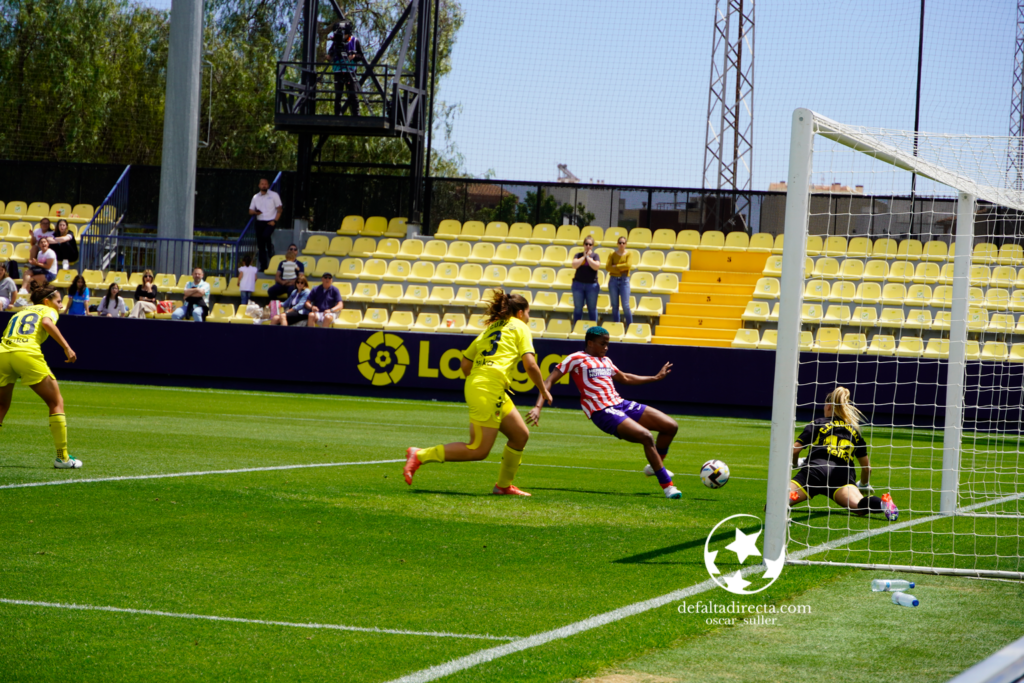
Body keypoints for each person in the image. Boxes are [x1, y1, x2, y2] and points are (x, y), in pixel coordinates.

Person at [403, 289, 552, 496]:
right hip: (489, 387)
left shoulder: (490, 330)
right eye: (528, 313)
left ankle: (503, 486)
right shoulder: (520, 327)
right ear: (520, 313)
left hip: (486, 386)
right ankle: (420, 455)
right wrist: (543, 390)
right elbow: (531, 365)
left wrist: (478, 381)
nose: (528, 317)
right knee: (478, 449)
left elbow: (465, 364)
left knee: (519, 435)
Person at [528, 326, 680, 499]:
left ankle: (655, 466)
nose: (606, 347)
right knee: (646, 437)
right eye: (603, 344)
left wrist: (654, 377)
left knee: (670, 426)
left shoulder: (606, 361)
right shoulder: (576, 359)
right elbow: (548, 381)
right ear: (590, 343)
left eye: (607, 344)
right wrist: (538, 406)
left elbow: (625, 378)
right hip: (602, 411)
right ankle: (668, 487)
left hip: (620, 404)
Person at [0, 282, 80, 469]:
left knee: (1, 405)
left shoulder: (20, 312)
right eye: (58, 301)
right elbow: (46, 322)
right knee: (56, 402)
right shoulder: (47, 310)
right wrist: (67, 348)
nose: (60, 305)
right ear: (47, 301)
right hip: (26, 354)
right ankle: (63, 458)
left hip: (3, 353)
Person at [790, 387, 899, 521]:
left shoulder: (818, 423)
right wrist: (863, 485)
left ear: (829, 406)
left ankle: (792, 497)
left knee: (779, 502)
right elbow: (867, 468)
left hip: (814, 473)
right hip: (842, 477)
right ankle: (883, 504)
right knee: (859, 506)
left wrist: (795, 463)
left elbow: (795, 450)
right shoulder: (854, 432)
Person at [248, 178, 283, 271]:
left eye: (266, 184)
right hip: (259, 221)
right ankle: (263, 266)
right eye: (262, 184)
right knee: (260, 245)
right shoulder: (255, 197)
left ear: (268, 185)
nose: (264, 185)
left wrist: (275, 221)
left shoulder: (274, 195)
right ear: (259, 185)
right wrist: (256, 213)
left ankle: (270, 247)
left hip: (270, 221)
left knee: (265, 236)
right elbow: (250, 210)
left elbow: (280, 210)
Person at [329, 21, 362, 115]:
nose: (343, 36)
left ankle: (356, 114)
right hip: (338, 71)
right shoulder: (336, 42)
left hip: (350, 71)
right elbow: (331, 53)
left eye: (345, 34)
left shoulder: (355, 41)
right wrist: (329, 57)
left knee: (353, 94)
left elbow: (361, 56)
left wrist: (354, 56)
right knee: (338, 95)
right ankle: (337, 114)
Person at [571, 235, 601, 325]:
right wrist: (584, 257)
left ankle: (594, 329)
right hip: (578, 284)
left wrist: (588, 258)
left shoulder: (595, 256)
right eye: (586, 244)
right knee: (578, 308)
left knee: (592, 308)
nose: (588, 246)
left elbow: (596, 267)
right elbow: (574, 265)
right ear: (583, 245)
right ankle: (576, 327)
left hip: (591, 285)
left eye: (590, 244)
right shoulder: (578, 255)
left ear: (592, 246)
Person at [606, 235, 633, 325]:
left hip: (624, 280)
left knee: (626, 305)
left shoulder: (629, 254)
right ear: (617, 244)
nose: (621, 244)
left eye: (623, 243)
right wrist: (621, 267)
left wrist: (616, 266)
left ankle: (629, 326)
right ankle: (616, 326)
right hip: (613, 280)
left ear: (626, 244)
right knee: (614, 305)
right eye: (620, 243)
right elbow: (608, 267)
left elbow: (628, 265)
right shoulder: (612, 254)